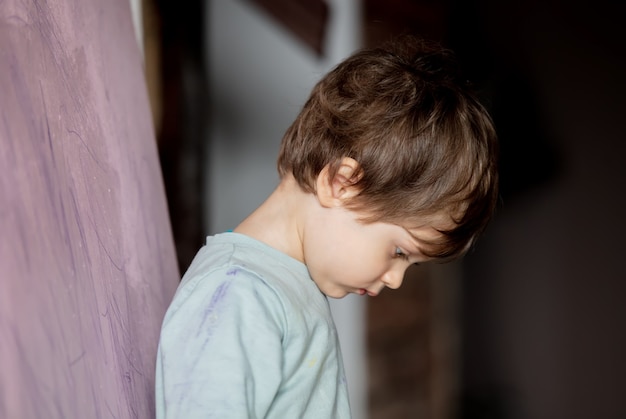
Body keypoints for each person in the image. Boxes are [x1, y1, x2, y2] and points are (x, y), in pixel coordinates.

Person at [155, 36, 499, 418]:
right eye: (400, 252)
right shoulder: (238, 296)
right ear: (341, 184)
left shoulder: (282, 289)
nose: (396, 279)